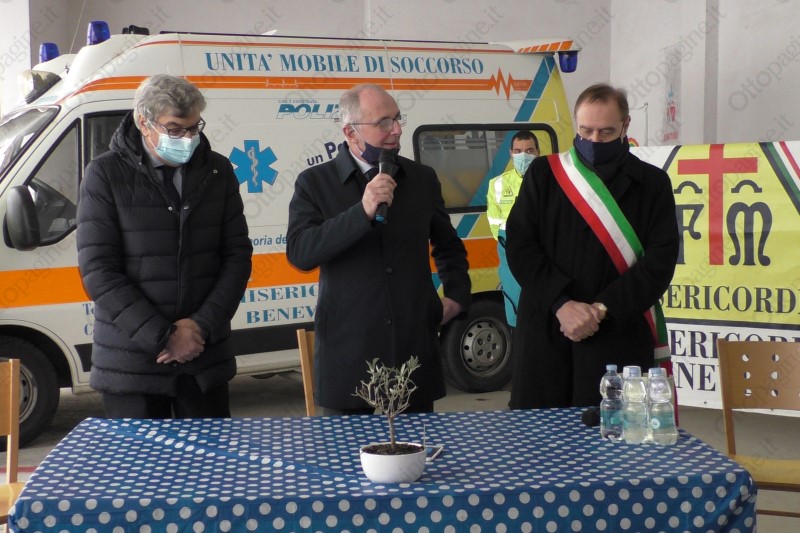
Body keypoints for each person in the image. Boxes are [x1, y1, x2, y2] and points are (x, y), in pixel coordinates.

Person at [287, 83, 471, 415]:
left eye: (397, 118)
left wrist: (456, 294)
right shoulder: (315, 182)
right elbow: (301, 253)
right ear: (351, 132)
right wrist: (362, 211)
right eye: (383, 122)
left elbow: (448, 245)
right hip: (348, 355)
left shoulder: (421, 178)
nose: (396, 130)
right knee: (344, 448)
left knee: (417, 446)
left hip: (412, 349)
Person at [76, 74, 253, 419]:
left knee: (209, 456)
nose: (187, 138)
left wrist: (199, 327)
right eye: (175, 129)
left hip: (203, 359)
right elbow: (99, 270)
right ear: (144, 123)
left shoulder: (217, 171)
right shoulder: (105, 174)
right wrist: (165, 336)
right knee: (139, 457)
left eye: (194, 128)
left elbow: (237, 256)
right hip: (132, 365)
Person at [505, 83, 679, 409]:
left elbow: (660, 261)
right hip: (548, 326)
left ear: (625, 126)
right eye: (586, 130)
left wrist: (600, 310)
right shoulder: (544, 174)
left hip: (618, 329)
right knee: (539, 432)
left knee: (614, 432)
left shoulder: (652, 184)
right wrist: (561, 304)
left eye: (606, 131)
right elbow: (520, 245)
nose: (595, 140)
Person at [486, 130, 540, 327]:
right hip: (511, 255)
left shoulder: (549, 181)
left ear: (538, 153)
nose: (523, 155)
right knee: (517, 312)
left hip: (542, 255)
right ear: (510, 153)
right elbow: (494, 223)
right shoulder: (497, 184)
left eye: (529, 150)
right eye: (517, 151)